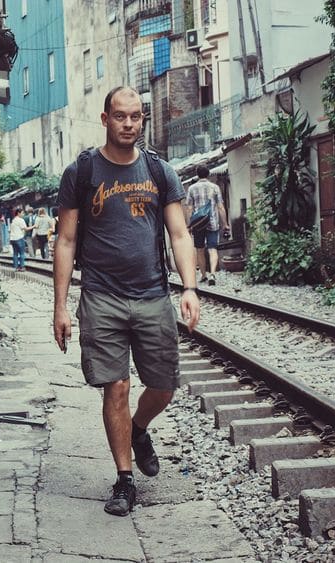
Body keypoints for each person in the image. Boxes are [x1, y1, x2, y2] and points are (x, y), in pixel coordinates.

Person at [53, 86, 200, 517]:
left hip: (153, 294)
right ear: (105, 119)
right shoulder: (82, 172)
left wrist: (189, 287)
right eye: (120, 117)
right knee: (115, 386)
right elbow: (66, 240)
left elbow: (179, 234)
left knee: (163, 387)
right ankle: (124, 480)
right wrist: (61, 306)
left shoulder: (159, 171)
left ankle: (139, 429)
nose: (129, 125)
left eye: (136, 117)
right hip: (101, 297)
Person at [185, 165, 231, 286]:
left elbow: (189, 208)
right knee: (212, 249)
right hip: (213, 222)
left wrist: (189, 225)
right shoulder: (215, 188)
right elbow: (220, 207)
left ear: (197, 174)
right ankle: (213, 274)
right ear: (208, 173)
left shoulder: (192, 188)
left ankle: (204, 275)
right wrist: (225, 224)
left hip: (198, 224)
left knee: (199, 249)